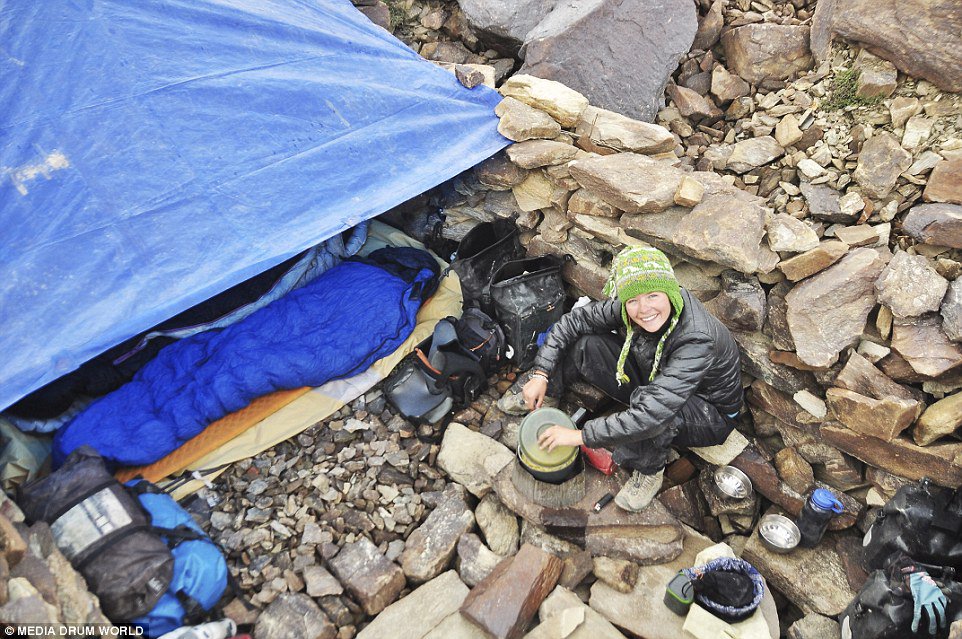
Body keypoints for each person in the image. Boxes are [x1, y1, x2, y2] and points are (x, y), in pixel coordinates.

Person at [523, 246, 743, 512]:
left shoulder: (697, 339)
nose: (644, 309)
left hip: (709, 412)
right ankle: (548, 395)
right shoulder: (632, 305)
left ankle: (649, 471)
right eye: (633, 300)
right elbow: (574, 321)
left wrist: (579, 436)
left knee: (653, 408)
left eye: (653, 296)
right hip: (656, 374)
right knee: (586, 344)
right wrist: (540, 373)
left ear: (670, 292)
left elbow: (652, 414)